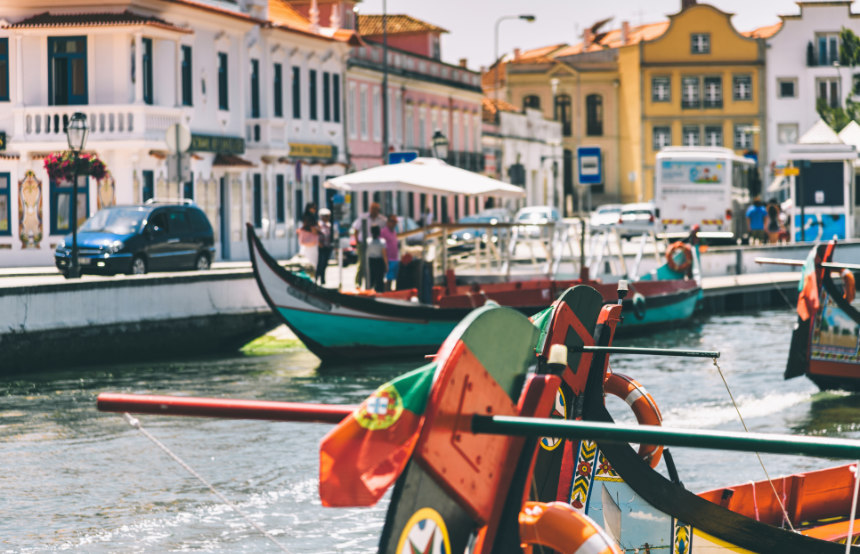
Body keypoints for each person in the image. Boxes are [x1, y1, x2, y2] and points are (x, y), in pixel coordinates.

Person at [351, 202, 387, 288]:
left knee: (374, 265)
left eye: (376, 209)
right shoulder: (363, 217)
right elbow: (356, 230)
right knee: (362, 263)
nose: (374, 211)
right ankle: (358, 283)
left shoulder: (382, 220)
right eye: (372, 208)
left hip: (376, 244)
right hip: (363, 243)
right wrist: (357, 243)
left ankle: (372, 284)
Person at [380, 214, 400, 290]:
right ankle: (387, 293)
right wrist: (385, 261)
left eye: (395, 222)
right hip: (388, 259)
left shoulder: (394, 232)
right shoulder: (383, 232)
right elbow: (382, 247)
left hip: (395, 258)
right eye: (393, 221)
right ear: (388, 222)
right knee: (388, 279)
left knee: (392, 279)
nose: (394, 224)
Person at [366, 225, 388, 293]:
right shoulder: (382, 242)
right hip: (379, 262)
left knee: (371, 279)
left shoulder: (368, 241)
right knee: (379, 279)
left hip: (371, 261)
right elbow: (384, 254)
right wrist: (386, 265)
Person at [297, 213, 319, 277]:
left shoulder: (314, 229)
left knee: (313, 266)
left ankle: (313, 278)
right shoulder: (302, 230)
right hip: (306, 250)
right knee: (305, 265)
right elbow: (301, 242)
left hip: (312, 250)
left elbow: (315, 240)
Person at [316, 208, 333, 285]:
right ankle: (317, 278)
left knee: (325, 263)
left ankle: (323, 279)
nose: (328, 218)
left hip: (328, 246)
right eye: (326, 216)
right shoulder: (319, 225)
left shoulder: (329, 225)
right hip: (321, 246)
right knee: (320, 263)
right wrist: (319, 242)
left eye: (328, 216)